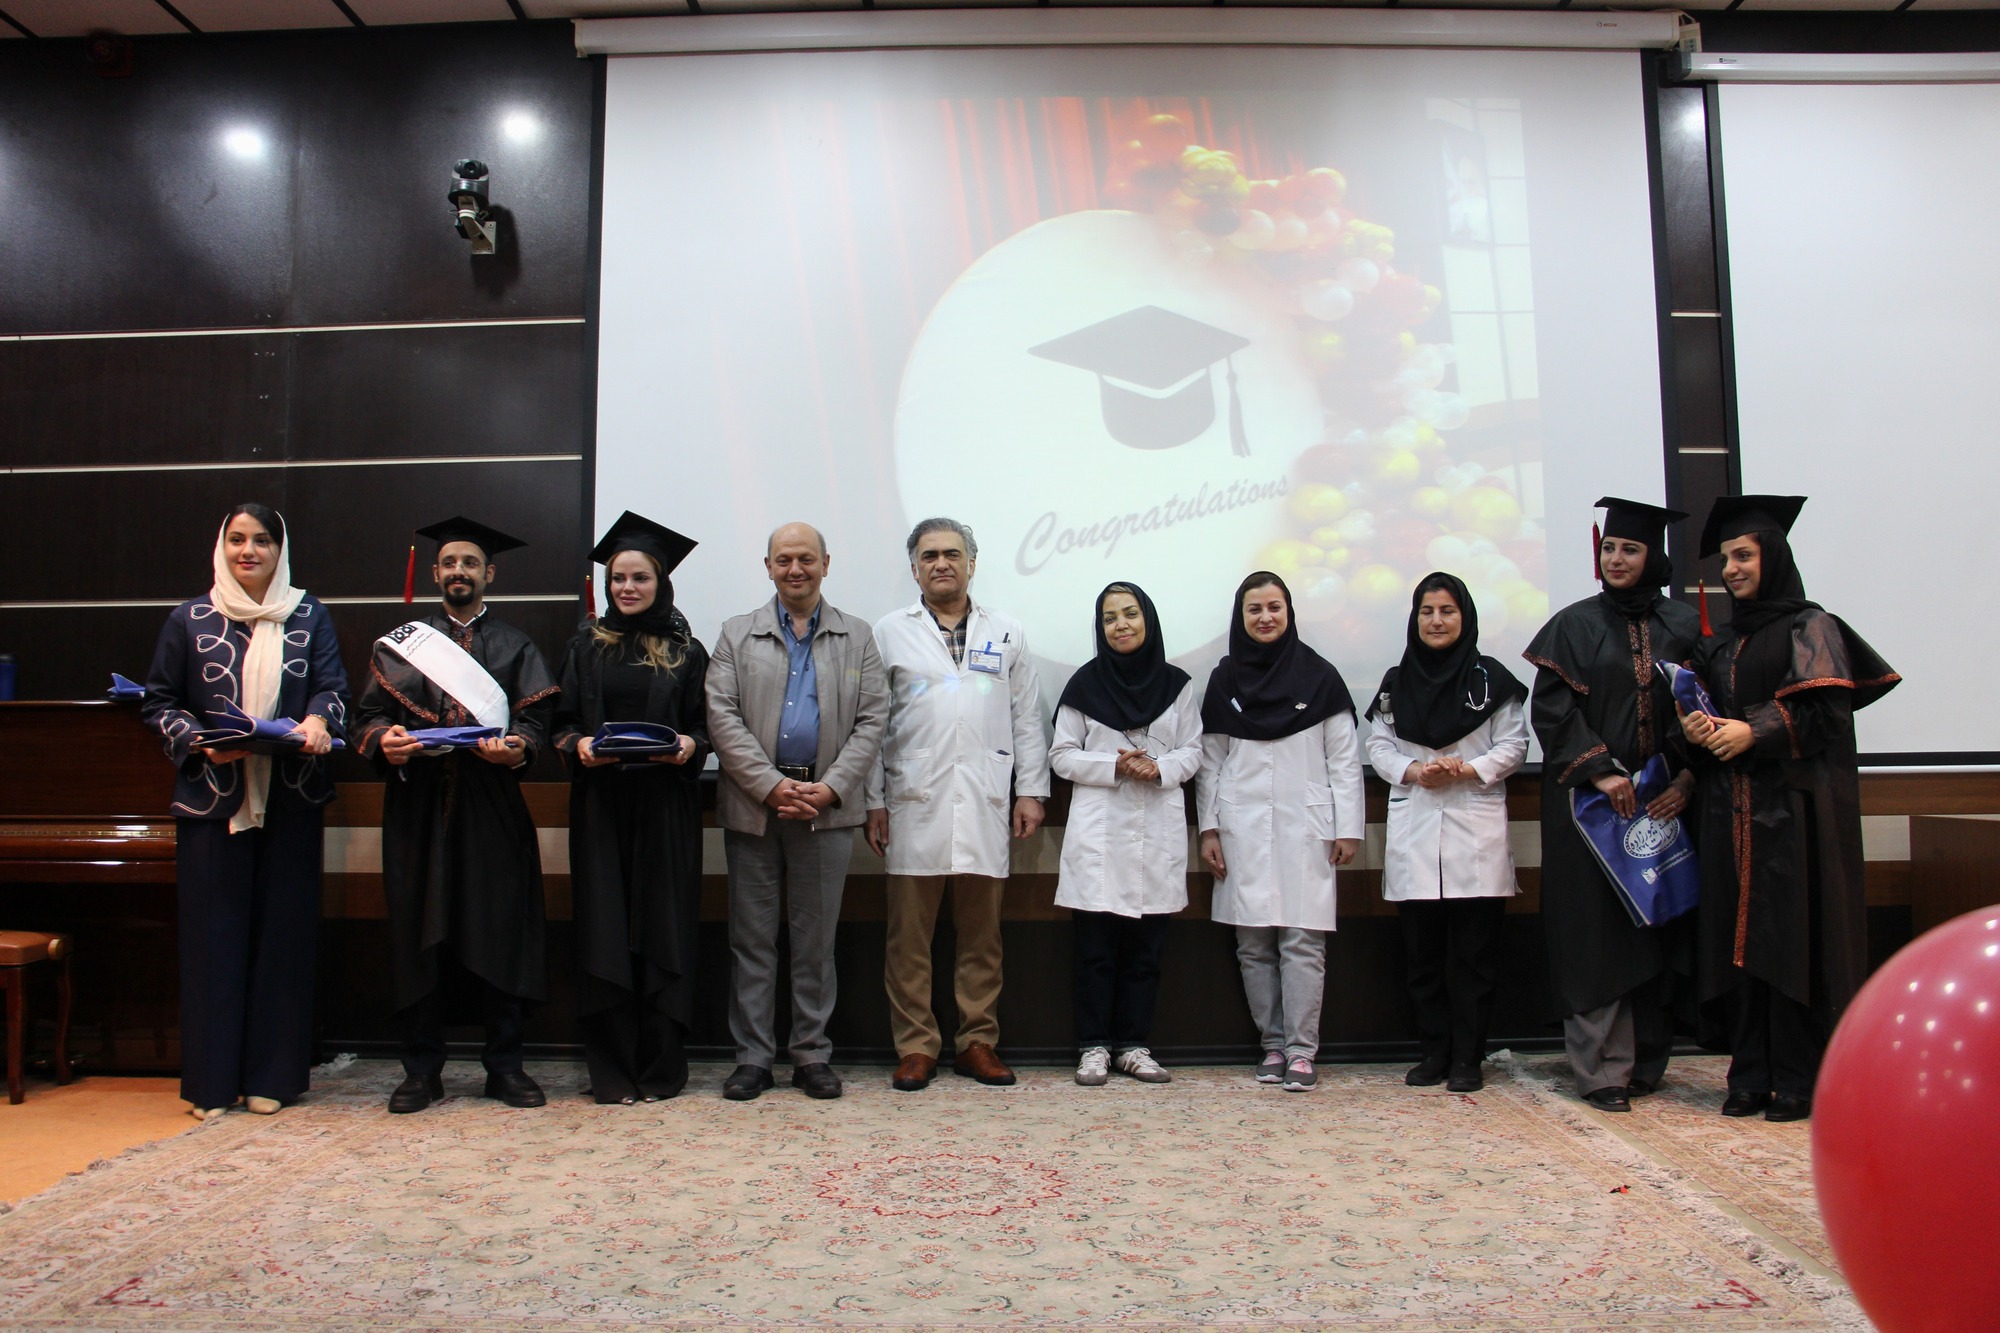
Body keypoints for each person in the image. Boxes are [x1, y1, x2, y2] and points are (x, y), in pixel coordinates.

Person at [1680, 495, 1898, 1123]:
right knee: (1737, 946)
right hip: (1729, 813)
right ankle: (1749, 1073)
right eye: (1726, 559)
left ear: (1772, 558)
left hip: (1795, 815)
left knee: (1791, 942)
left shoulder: (1811, 626)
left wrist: (1754, 730)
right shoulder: (1722, 643)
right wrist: (1694, 730)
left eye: (1744, 556)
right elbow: (1699, 713)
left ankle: (1798, 1078)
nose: (1732, 570)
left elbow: (1825, 712)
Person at [141, 505, 347, 1120]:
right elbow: (159, 703)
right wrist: (200, 742)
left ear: (280, 551)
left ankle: (272, 1079)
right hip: (214, 802)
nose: (248, 551)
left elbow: (332, 688)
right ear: (222, 547)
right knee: (213, 943)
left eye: (261, 541)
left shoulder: (308, 614)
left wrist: (318, 721)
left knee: (283, 941)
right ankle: (211, 1087)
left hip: (290, 798)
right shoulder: (190, 618)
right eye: (237, 540)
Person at [354, 516, 559, 1114]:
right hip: (417, 807)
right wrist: (383, 740)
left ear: (489, 574)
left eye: (470, 563)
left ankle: (505, 1066)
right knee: (418, 932)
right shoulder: (400, 646)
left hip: (491, 806)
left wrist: (519, 747)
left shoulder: (516, 645)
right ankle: (421, 1071)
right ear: (435, 573)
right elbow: (365, 719)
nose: (459, 572)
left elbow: (536, 722)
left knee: (500, 928)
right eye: (449, 563)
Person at [1523, 497, 1703, 1112]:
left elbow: (1700, 707)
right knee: (1593, 936)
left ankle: (1646, 1060)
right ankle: (1601, 1068)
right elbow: (1553, 710)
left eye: (1630, 549)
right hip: (1589, 810)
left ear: (1654, 556)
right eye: (1609, 548)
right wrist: (1599, 769)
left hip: (1662, 805)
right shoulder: (1573, 625)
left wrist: (1685, 779)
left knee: (1655, 925)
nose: (1616, 559)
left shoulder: (1684, 625)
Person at [866, 518, 1050, 1091]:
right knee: (908, 940)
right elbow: (871, 723)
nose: (941, 563)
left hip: (986, 799)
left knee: (981, 936)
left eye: (951, 553)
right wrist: (873, 800)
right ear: (914, 568)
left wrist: (1030, 790)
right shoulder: (889, 632)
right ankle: (915, 1046)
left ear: (972, 563)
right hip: (912, 801)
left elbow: (1026, 717)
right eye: (929, 556)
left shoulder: (1007, 631)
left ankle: (977, 1042)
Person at [706, 522, 886, 1102]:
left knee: (815, 944)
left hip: (825, 811)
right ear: (768, 567)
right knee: (752, 942)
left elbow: (872, 720)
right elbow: (722, 717)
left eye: (806, 558)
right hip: (755, 811)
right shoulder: (736, 634)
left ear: (826, 564)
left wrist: (831, 788)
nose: (795, 569)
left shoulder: (857, 636)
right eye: (783, 559)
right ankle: (753, 1058)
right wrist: (769, 786)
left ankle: (811, 1054)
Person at [551, 512, 711, 1104]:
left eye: (640, 577)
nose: (627, 587)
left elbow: (705, 728)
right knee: (605, 933)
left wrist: (690, 746)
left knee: (664, 932)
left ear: (660, 581)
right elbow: (561, 723)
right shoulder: (585, 646)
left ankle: (661, 1070)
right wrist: (578, 745)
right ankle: (613, 1072)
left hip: (667, 809)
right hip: (601, 807)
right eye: (618, 577)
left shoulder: (688, 650)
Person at [1196, 571, 1365, 1092]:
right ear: (1241, 617)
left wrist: (1349, 828)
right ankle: (1271, 1045)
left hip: (1306, 827)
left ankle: (1301, 1051)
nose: (1265, 617)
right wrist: (1209, 829)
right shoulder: (1225, 681)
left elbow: (1344, 761)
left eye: (1274, 607)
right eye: (1255, 609)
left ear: (1289, 612)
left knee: (1302, 942)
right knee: (1252, 945)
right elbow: (1210, 764)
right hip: (1240, 826)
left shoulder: (1321, 677)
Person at [1365, 572, 1528, 1094]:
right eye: (1427, 611)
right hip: (1416, 825)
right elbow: (1378, 746)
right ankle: (1433, 1053)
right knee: (1422, 958)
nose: (1436, 621)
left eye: (1447, 611)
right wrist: (1414, 771)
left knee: (1474, 958)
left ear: (1465, 617)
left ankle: (1468, 1058)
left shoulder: (1492, 679)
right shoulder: (1396, 681)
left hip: (1473, 827)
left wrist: (1467, 770)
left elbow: (1515, 745)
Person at [1049, 582, 1202, 1087]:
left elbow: (1194, 750)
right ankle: (1093, 1046)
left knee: (1145, 953)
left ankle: (1134, 1046)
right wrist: (1113, 766)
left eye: (1130, 614)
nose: (1121, 625)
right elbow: (1062, 755)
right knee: (1095, 953)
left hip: (1156, 827)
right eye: (1110, 617)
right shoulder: (1083, 685)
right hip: (1100, 833)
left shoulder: (1178, 685)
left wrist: (1158, 768)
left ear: (1148, 620)